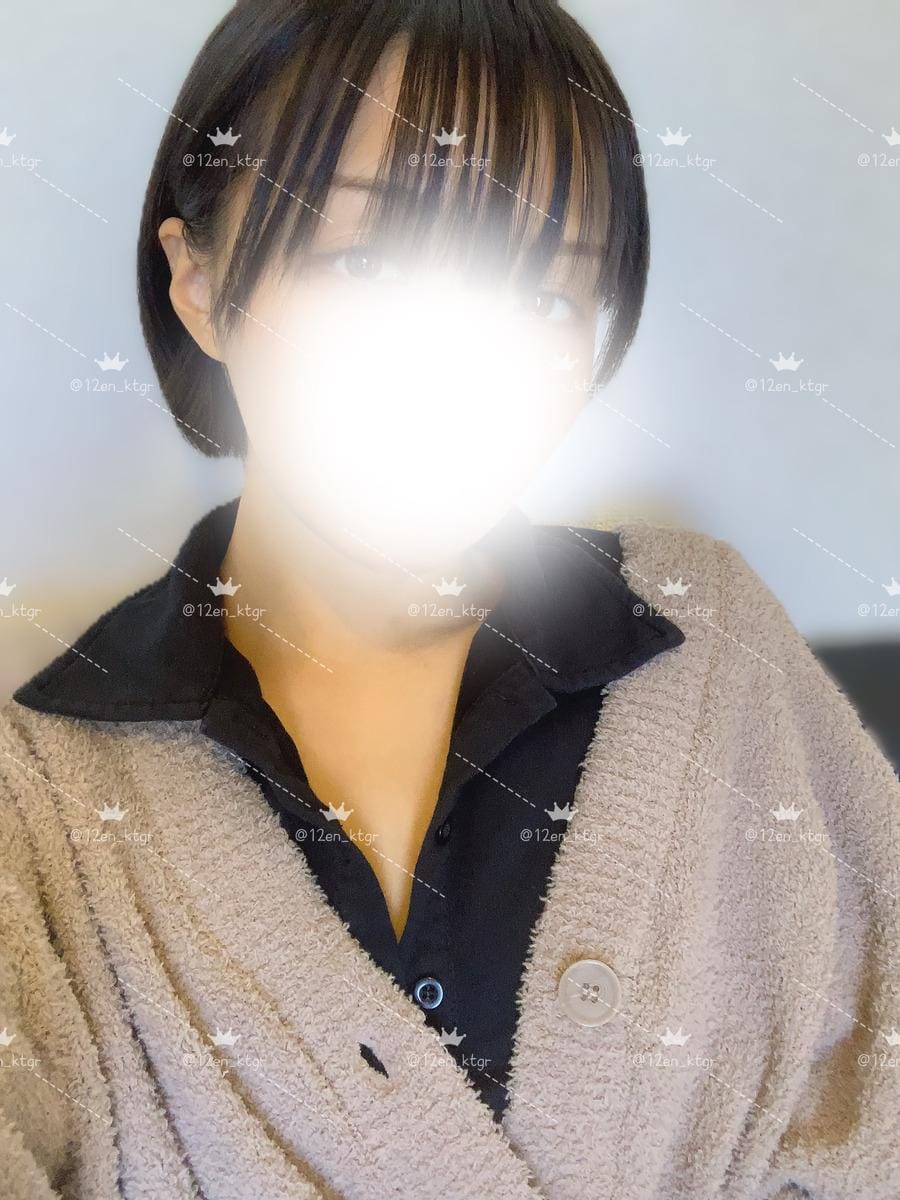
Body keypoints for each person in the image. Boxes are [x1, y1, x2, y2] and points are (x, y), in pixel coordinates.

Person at [1, 2, 897, 1198]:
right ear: (199, 280)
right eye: (369, 263)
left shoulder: (709, 636)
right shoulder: (42, 811)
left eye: (544, 294)